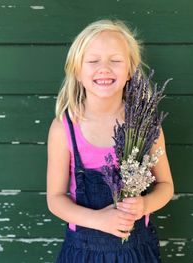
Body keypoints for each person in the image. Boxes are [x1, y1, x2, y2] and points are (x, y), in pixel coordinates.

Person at [46, 19, 174, 263]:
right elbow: (55, 199)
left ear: (129, 71)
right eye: (93, 61)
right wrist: (98, 220)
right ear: (76, 70)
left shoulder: (145, 124)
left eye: (115, 60)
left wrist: (144, 204)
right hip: (83, 252)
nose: (104, 68)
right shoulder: (65, 129)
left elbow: (166, 185)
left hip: (136, 252)